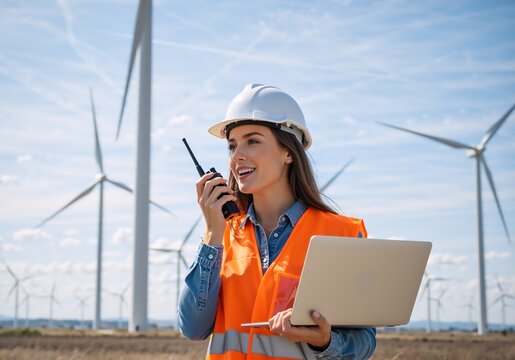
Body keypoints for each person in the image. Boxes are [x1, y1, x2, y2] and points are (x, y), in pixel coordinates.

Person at [178, 83, 376, 359]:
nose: (237, 156)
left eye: (253, 141)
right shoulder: (221, 236)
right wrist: (212, 233)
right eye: (232, 146)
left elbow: (364, 344)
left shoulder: (342, 234)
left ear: (288, 152)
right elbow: (192, 328)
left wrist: (325, 342)